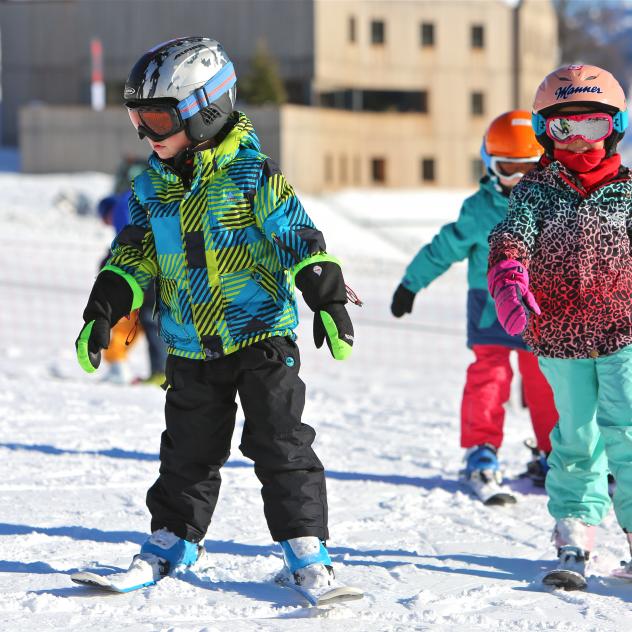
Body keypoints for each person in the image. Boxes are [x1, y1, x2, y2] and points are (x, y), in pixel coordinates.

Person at [74, 37, 359, 597]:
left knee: (281, 444)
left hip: (262, 339)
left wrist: (325, 295)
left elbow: (299, 236)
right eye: (139, 119)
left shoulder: (253, 176)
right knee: (187, 452)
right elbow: (132, 255)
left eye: (157, 119)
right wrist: (105, 307)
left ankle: (306, 550)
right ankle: (172, 541)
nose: (147, 135)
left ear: (207, 110)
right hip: (188, 345)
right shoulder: (150, 188)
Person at [487, 65, 632, 588]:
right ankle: (574, 533)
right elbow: (510, 240)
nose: (577, 141)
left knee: (629, 435)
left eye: (591, 127)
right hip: (561, 337)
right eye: (562, 129)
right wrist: (507, 277)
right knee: (576, 437)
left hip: (623, 335)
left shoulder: (628, 192)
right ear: (544, 132)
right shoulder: (535, 190)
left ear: (614, 127)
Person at [390, 110, 558, 504]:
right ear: (489, 165)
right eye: (508, 168)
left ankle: (555, 452)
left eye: (528, 169)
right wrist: (410, 284)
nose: (518, 180)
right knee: (489, 379)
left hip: (541, 314)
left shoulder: (556, 206)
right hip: (490, 311)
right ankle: (481, 450)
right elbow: (444, 247)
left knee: (548, 384)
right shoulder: (478, 210)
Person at [97, 158, 168, 386]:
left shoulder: (126, 201)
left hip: (140, 271)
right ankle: (155, 370)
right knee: (148, 319)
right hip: (155, 267)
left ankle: (159, 370)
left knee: (145, 319)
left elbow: (127, 239)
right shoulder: (151, 197)